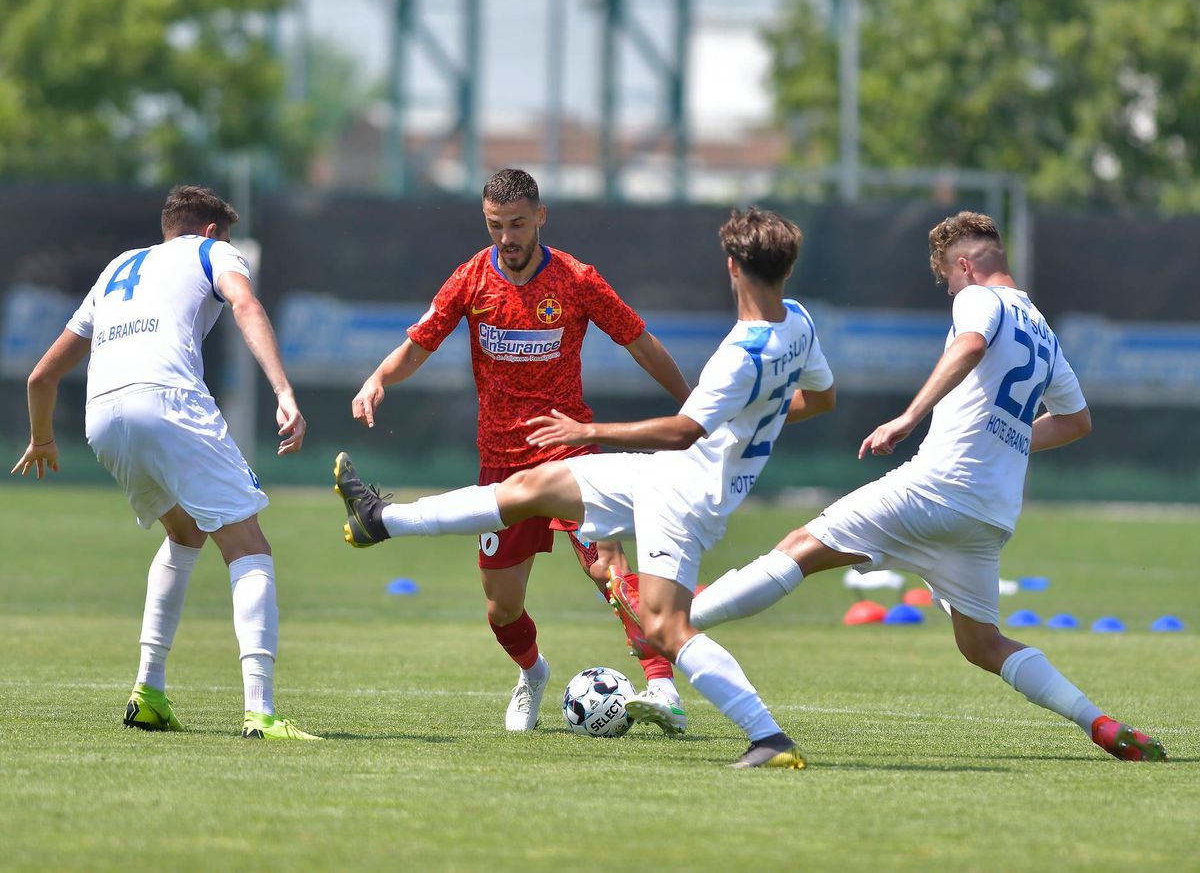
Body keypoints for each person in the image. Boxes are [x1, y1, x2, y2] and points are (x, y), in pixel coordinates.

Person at [335, 206, 837, 768]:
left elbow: (682, 432)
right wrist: (753, 420)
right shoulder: (799, 322)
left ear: (732, 268)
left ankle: (761, 733)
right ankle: (381, 518)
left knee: (665, 625)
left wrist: (589, 429)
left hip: (682, 494)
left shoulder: (738, 354)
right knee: (531, 489)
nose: (506, 236)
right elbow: (821, 400)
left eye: (517, 223)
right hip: (662, 475)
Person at [689, 210, 1166, 763]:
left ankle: (667, 625)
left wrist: (908, 417)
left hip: (936, 489)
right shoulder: (1044, 331)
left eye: (947, 278)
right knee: (982, 644)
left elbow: (967, 347)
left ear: (964, 264)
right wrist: (1005, 442)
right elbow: (1076, 421)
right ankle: (1099, 723)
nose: (949, 289)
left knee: (798, 549)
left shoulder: (979, 299)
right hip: (988, 516)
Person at [344, 168, 692, 733]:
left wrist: (690, 406)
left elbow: (639, 342)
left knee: (608, 567)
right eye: (496, 225)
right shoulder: (470, 280)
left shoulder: (577, 279)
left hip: (571, 453)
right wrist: (378, 378)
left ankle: (661, 687)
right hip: (501, 464)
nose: (507, 237)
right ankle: (532, 674)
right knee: (501, 606)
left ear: (541, 218)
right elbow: (419, 343)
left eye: (518, 224)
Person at [11, 185, 320, 741]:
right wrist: (284, 391)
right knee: (249, 545)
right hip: (167, 401)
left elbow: (41, 376)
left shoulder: (117, 268)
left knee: (184, 533)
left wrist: (41, 439)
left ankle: (148, 692)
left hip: (101, 416)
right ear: (208, 231)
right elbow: (245, 303)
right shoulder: (213, 251)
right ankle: (262, 712)